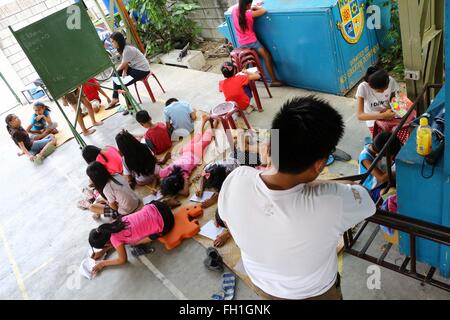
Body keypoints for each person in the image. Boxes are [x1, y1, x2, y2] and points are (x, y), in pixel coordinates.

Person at [218, 96, 376, 300]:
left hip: (262, 286)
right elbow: (365, 200)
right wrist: (317, 184)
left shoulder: (236, 179)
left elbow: (231, 226)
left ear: (269, 146)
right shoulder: (333, 201)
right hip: (315, 292)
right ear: (319, 165)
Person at [88, 201, 175, 274]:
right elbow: (118, 243)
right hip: (157, 206)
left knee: (135, 243)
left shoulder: (115, 240)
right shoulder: (114, 223)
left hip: (166, 222)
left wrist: (102, 263)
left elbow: (122, 260)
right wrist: (104, 250)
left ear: (106, 243)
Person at [231, 0, 282, 87]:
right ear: (248, 4)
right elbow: (263, 11)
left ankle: (245, 81)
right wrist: (256, 7)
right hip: (252, 42)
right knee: (267, 56)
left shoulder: (234, 10)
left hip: (241, 42)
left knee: (247, 62)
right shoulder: (248, 14)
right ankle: (274, 80)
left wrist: (250, 7)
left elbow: (244, 10)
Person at [160, 115, 213, 197]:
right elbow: (160, 176)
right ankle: (204, 121)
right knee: (198, 136)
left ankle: (215, 122)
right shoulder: (168, 170)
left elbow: (186, 193)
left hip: (195, 153)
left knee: (207, 138)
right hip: (185, 150)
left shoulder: (183, 175)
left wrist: (172, 192)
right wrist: (164, 185)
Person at [107, 32, 151, 115]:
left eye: (113, 41)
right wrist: (125, 71)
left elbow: (123, 64)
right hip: (136, 67)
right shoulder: (123, 48)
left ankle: (121, 101)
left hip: (142, 70)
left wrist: (116, 71)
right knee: (118, 77)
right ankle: (122, 101)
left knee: (118, 80)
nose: (111, 43)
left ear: (118, 41)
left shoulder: (127, 49)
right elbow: (126, 63)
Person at [356, 66, 400, 135]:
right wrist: (383, 116)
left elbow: (395, 99)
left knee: (398, 137)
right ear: (370, 86)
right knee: (382, 141)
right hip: (373, 121)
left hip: (390, 116)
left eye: (385, 89)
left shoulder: (390, 80)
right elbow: (360, 115)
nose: (383, 92)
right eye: (379, 90)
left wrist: (395, 109)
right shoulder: (363, 87)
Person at [359, 132, 402, 196]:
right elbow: (381, 178)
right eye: (391, 155)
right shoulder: (366, 158)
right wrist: (400, 171)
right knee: (393, 192)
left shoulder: (378, 145)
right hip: (373, 188)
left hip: (386, 178)